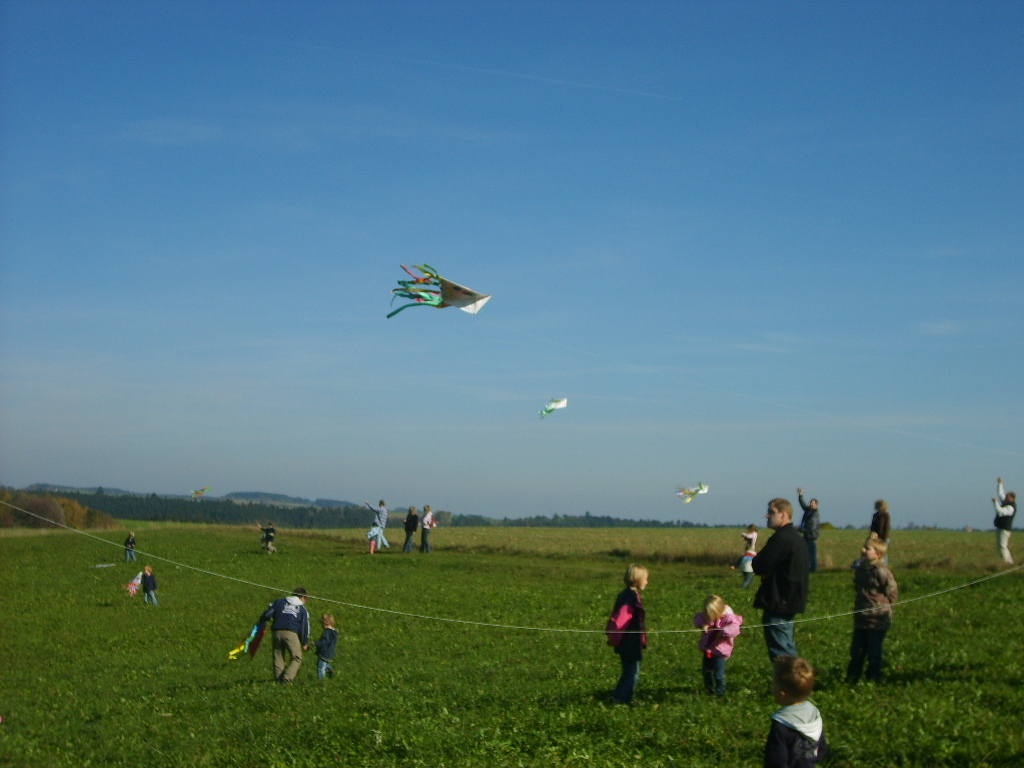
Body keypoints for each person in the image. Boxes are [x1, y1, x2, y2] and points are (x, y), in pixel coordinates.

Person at [752, 498, 810, 662]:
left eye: (771, 512)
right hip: (790, 600)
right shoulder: (796, 538)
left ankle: (790, 683)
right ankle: (793, 682)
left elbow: (759, 565)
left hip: (779, 601)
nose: (767, 515)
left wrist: (766, 571)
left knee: (781, 653)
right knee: (786, 646)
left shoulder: (781, 538)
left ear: (784, 514)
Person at [847, 537, 898, 684]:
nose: (863, 550)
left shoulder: (881, 572)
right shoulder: (860, 570)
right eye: (863, 547)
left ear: (878, 555)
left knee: (874, 652)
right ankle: (852, 678)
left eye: (867, 549)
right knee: (856, 651)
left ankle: (874, 678)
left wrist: (885, 608)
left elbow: (892, 593)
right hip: (861, 618)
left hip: (877, 620)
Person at [765, 656, 828, 768]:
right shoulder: (813, 714)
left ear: (782, 694)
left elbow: (776, 761)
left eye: (773, 684)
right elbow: (821, 747)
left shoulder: (781, 725)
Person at [605, 564, 648, 705]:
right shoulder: (630, 597)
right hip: (629, 641)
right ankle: (619, 699)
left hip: (628, 640)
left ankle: (625, 698)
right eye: (645, 579)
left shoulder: (627, 594)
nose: (647, 582)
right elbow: (620, 621)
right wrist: (614, 637)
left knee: (630, 671)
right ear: (637, 580)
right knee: (631, 673)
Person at [692, 594, 743, 696]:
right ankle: (709, 690)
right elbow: (697, 618)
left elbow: (735, 628)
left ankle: (720, 692)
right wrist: (703, 625)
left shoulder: (728, 618)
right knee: (707, 671)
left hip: (720, 650)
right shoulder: (705, 616)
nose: (709, 618)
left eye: (711, 615)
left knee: (718, 673)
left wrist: (723, 632)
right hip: (708, 649)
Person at [257, 587, 310, 683]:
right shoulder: (302, 610)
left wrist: (261, 622)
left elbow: (267, 614)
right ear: (303, 597)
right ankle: (286, 678)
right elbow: (304, 627)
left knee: (278, 656)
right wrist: (304, 642)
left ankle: (278, 680)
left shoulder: (279, 602)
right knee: (297, 658)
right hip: (291, 633)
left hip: (276, 632)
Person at [993, 477, 1017, 565]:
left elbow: (1000, 511)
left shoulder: (1010, 507)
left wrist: (995, 503)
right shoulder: (1007, 503)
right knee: (1001, 546)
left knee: (1002, 546)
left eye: (1007, 497)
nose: (1005, 497)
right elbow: (1000, 494)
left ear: (1012, 498)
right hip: (1001, 528)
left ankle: (1008, 563)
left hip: (1004, 529)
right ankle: (1008, 562)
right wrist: (1000, 484)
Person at [796, 489, 821, 573]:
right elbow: (803, 505)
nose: (810, 504)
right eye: (810, 503)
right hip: (807, 536)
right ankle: (807, 568)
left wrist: (799, 528)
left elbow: (810, 528)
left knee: (811, 554)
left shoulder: (815, 514)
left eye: (812, 503)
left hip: (811, 537)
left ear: (816, 505)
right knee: (805, 553)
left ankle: (813, 569)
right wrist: (800, 495)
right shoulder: (809, 511)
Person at [314, 614, 337, 679]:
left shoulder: (327, 632)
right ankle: (330, 669)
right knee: (324, 663)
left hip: (324, 652)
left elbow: (324, 641)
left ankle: (322, 680)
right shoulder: (333, 632)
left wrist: (315, 643)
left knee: (321, 667)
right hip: (330, 652)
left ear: (325, 623)